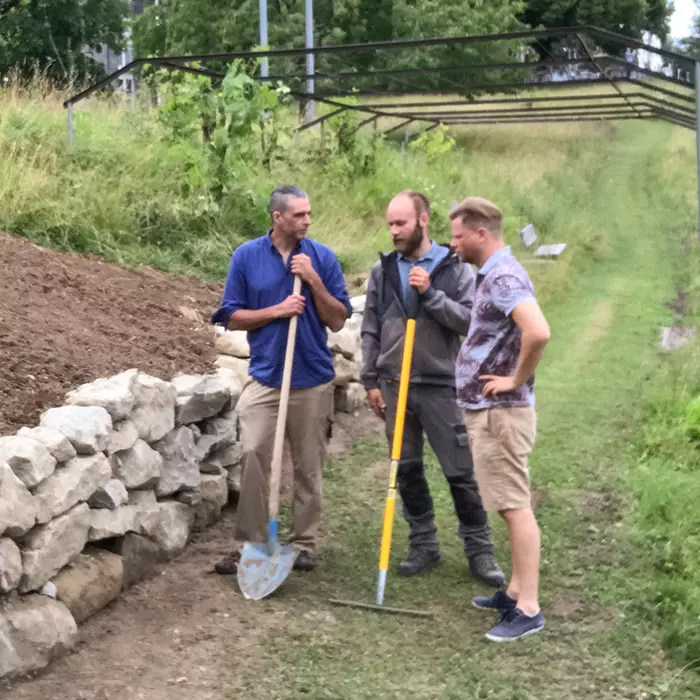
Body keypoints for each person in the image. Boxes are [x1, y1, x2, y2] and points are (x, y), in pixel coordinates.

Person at [360, 190, 505, 587]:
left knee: (459, 472)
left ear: (423, 220)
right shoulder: (384, 270)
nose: (393, 231)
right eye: (390, 223)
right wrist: (370, 379)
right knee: (406, 470)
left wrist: (431, 294)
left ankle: (480, 550)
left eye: (401, 223)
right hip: (394, 383)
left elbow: (469, 322)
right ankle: (424, 544)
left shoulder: (455, 268)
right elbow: (370, 326)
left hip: (442, 384)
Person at [211, 185, 352, 575]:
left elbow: (338, 318)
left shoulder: (321, 257)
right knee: (254, 452)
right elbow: (231, 316)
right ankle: (250, 545)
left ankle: (303, 543)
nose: (307, 220)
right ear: (277, 218)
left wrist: (313, 282)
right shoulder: (246, 257)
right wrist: (278, 310)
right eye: (299, 215)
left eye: (309, 214)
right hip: (266, 376)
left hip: (312, 379)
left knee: (308, 465)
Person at [449, 196, 550, 642]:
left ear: (480, 234)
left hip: (501, 414)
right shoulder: (491, 273)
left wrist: (513, 379)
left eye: (457, 235)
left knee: (514, 507)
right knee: (508, 503)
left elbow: (539, 330)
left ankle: (528, 609)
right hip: (490, 413)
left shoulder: (504, 276)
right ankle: (513, 592)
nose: (453, 244)